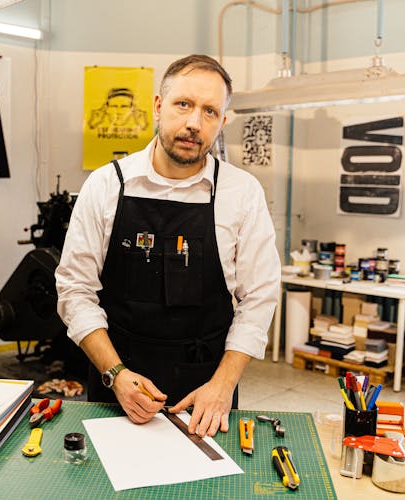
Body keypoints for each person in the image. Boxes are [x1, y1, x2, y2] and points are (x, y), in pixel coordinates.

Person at [56, 54, 280, 438]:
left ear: (222, 122)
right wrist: (116, 375)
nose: (194, 122)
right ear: (158, 107)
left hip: (207, 391)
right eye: (184, 104)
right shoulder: (106, 185)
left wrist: (223, 385)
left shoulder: (242, 193)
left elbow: (259, 298)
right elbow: (75, 291)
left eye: (210, 111)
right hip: (117, 385)